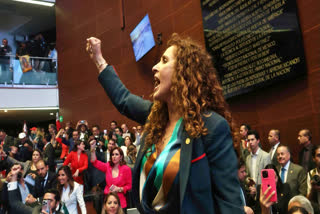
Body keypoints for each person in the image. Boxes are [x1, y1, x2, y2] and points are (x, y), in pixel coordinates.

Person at [86, 33, 243, 213]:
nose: (154, 67)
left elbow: (229, 203)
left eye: (164, 60)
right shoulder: (155, 118)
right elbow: (124, 99)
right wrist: (98, 59)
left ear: (183, 72)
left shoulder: (212, 126)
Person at [90, 144, 132, 211]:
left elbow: (129, 186)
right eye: (112, 154)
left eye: (116, 154)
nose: (114, 156)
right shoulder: (108, 166)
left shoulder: (126, 169)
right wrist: (92, 149)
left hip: (120, 202)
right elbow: (94, 162)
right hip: (108, 202)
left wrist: (119, 189)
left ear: (121, 157)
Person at [307, 145, 320, 213]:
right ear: (313, 158)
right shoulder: (312, 173)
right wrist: (313, 189)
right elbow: (308, 201)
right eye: (319, 155)